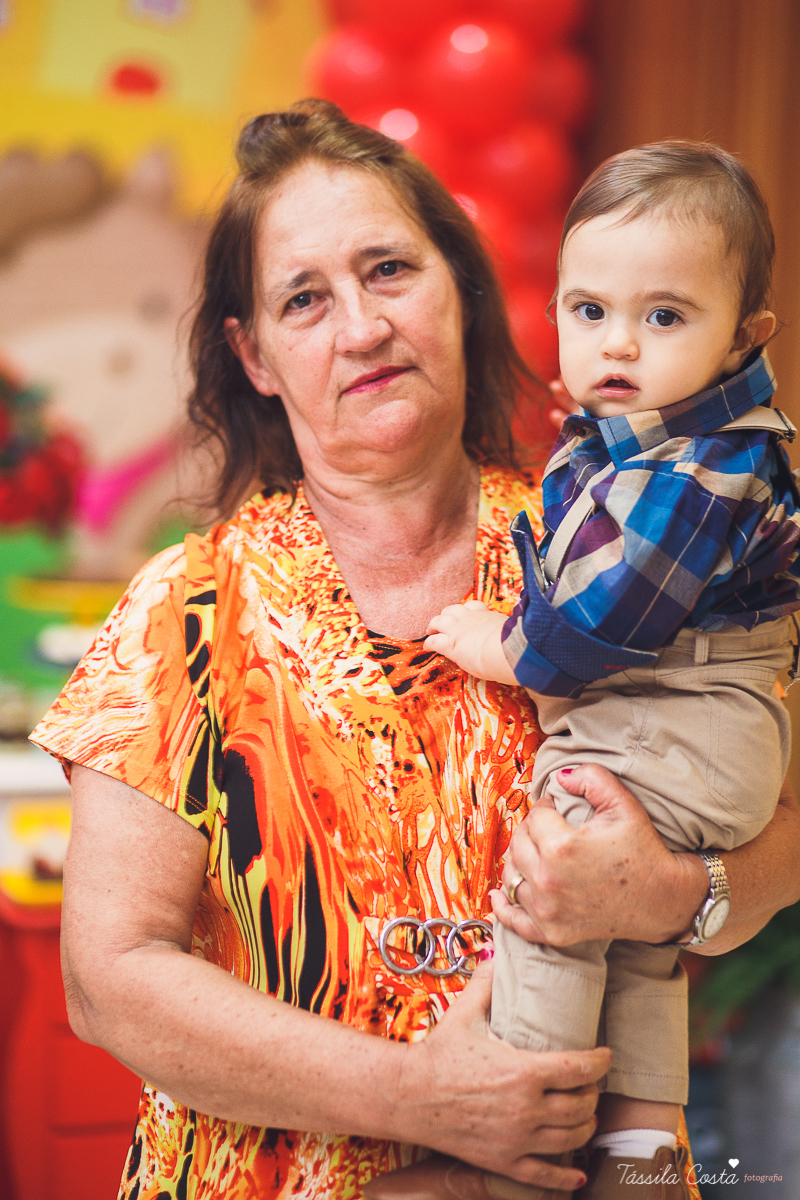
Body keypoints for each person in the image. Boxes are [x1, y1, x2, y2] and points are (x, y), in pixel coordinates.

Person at [29, 107, 800, 1200]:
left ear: (461, 290)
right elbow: (110, 979)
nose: (362, 327)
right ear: (253, 355)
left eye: (389, 270)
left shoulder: (621, 549)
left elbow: (780, 829)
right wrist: (414, 1099)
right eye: (304, 299)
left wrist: (676, 890)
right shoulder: (184, 612)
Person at [424, 142, 800, 1198]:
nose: (618, 343)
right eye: (588, 311)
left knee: (554, 896)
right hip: (699, 727)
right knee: (634, 950)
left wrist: (492, 644)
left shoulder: (698, 467)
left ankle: (517, 1141)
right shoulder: (643, 445)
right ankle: (636, 1159)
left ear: (746, 335)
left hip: (675, 723)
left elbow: (590, 625)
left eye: (664, 316)